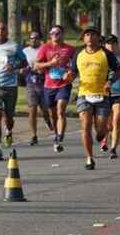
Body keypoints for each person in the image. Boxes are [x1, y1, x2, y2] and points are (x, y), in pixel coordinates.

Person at [69, 27, 120, 170]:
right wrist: (69, 77)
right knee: (85, 126)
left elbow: (118, 70)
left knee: (101, 130)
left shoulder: (106, 54)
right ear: (83, 38)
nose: (90, 37)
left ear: (98, 38)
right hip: (84, 94)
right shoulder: (78, 54)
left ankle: (101, 135)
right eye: (87, 35)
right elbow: (73, 72)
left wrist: (109, 82)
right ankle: (89, 158)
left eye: (93, 35)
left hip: (102, 95)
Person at [0, 22, 27, 159]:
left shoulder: (14, 46)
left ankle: (9, 130)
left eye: (3, 29)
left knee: (8, 117)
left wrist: (14, 66)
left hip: (10, 86)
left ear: (7, 31)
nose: (1, 31)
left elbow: (24, 62)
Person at [36, 25, 76, 153]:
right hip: (49, 85)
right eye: (52, 33)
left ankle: (60, 137)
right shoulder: (45, 48)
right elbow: (36, 65)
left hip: (64, 85)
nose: (54, 35)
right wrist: (50, 64)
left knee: (60, 110)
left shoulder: (70, 49)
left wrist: (70, 74)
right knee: (53, 113)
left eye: (57, 33)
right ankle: (56, 132)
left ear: (62, 34)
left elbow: (76, 67)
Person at [22, 31, 54, 146]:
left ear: (40, 39)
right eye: (31, 38)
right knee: (32, 109)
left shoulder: (45, 49)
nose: (33, 40)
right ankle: (33, 135)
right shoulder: (25, 51)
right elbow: (21, 64)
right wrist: (23, 69)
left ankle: (48, 121)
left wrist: (43, 67)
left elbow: (50, 63)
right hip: (31, 82)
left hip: (44, 82)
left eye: (36, 38)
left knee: (45, 109)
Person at [104, 35, 120, 159]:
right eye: (108, 43)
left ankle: (113, 149)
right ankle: (105, 137)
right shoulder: (101, 58)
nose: (111, 46)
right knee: (108, 125)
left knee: (116, 121)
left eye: (113, 43)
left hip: (119, 93)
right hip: (105, 94)